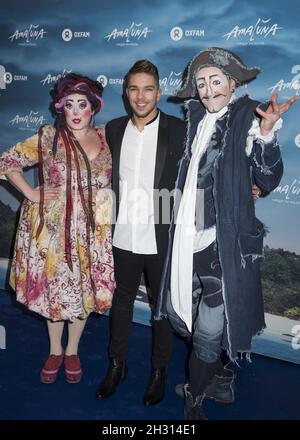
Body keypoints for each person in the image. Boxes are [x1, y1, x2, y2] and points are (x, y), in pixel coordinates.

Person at [154, 47, 297, 419]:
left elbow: (268, 177)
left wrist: (266, 135)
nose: (208, 90)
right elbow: (189, 182)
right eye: (201, 84)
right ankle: (217, 376)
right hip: (187, 237)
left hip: (224, 242)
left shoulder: (249, 116)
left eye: (216, 81)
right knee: (176, 314)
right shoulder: (195, 120)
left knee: (209, 327)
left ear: (232, 83)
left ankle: (195, 399)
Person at [0, 73, 115, 384]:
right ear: (60, 108)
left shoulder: (108, 137)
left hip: (92, 232)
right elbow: (6, 161)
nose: (76, 112)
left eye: (82, 104)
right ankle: (54, 349)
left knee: (81, 292)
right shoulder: (48, 137)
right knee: (55, 294)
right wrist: (31, 192)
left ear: (94, 107)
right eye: (69, 105)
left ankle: (73, 350)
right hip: (52, 232)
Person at [95, 60, 186, 406]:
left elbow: (204, 171)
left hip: (161, 234)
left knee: (159, 309)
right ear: (126, 92)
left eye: (148, 89)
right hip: (124, 234)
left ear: (159, 92)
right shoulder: (114, 129)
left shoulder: (179, 130)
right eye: (134, 88)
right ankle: (117, 366)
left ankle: (158, 371)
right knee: (122, 303)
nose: (141, 96)